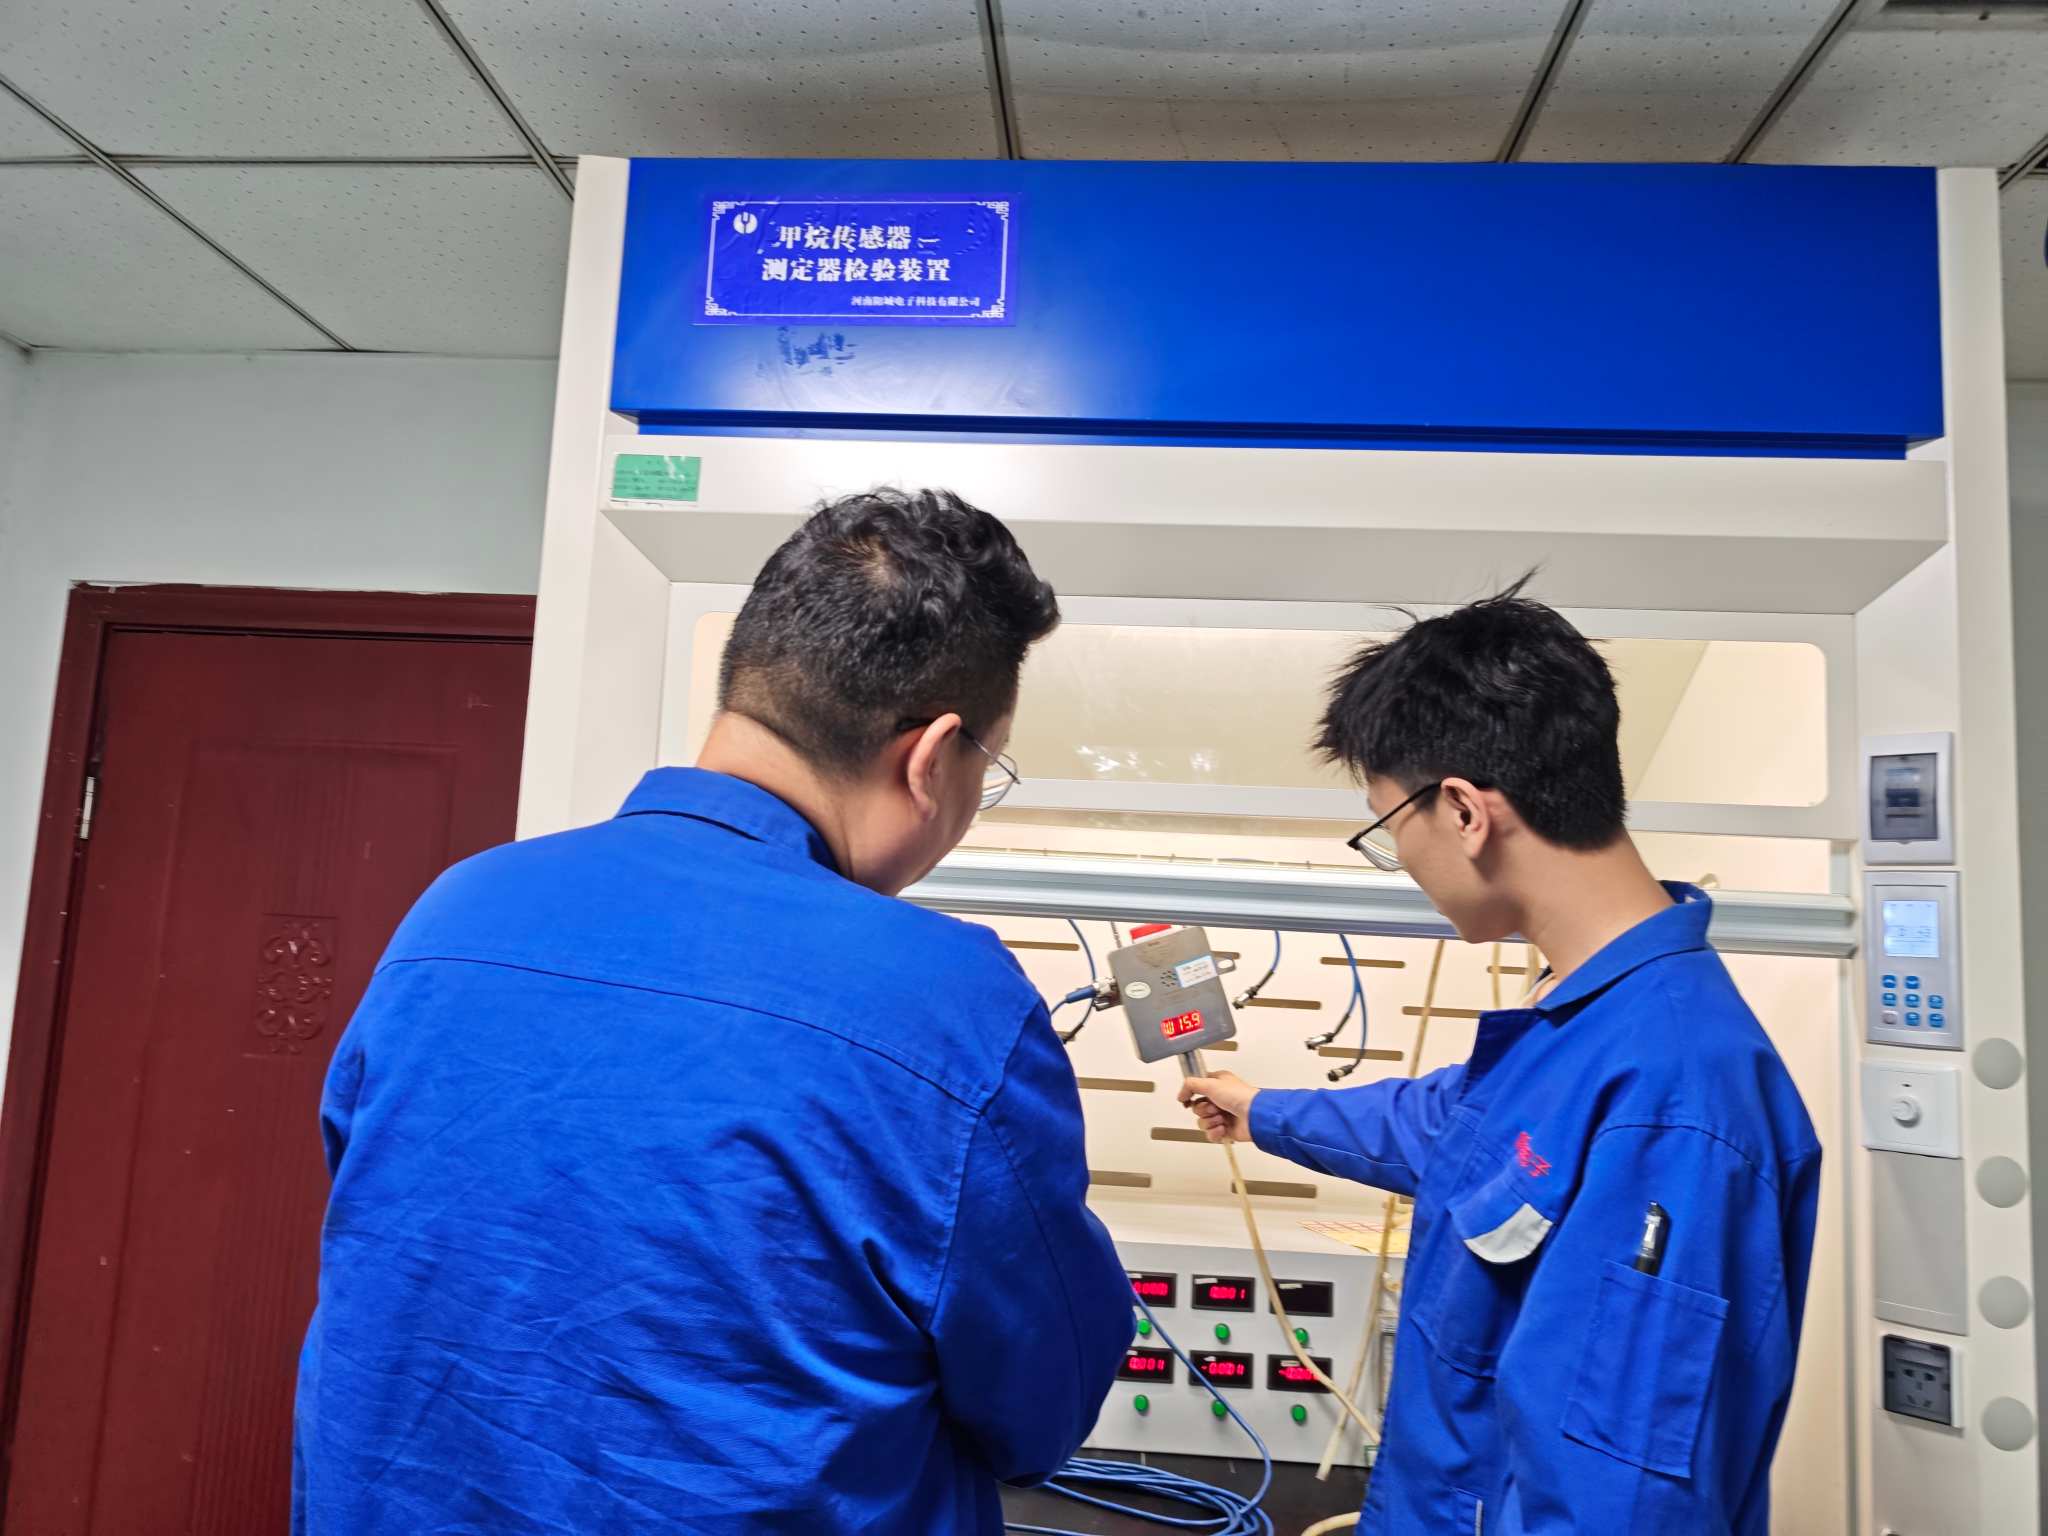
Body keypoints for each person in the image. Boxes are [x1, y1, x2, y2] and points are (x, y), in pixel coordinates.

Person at [295, 489, 1134, 1534]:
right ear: (930, 757)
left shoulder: (458, 907)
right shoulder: (949, 1004)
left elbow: (390, 1225)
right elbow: (1038, 1408)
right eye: (987, 771)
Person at [1181, 585, 1820, 1535]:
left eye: (1387, 829)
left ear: (1463, 811)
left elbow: (1619, 1503)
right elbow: (1445, 1127)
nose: (1401, 860)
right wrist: (1260, 1108)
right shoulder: (1584, 1023)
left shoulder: (1673, 1098)